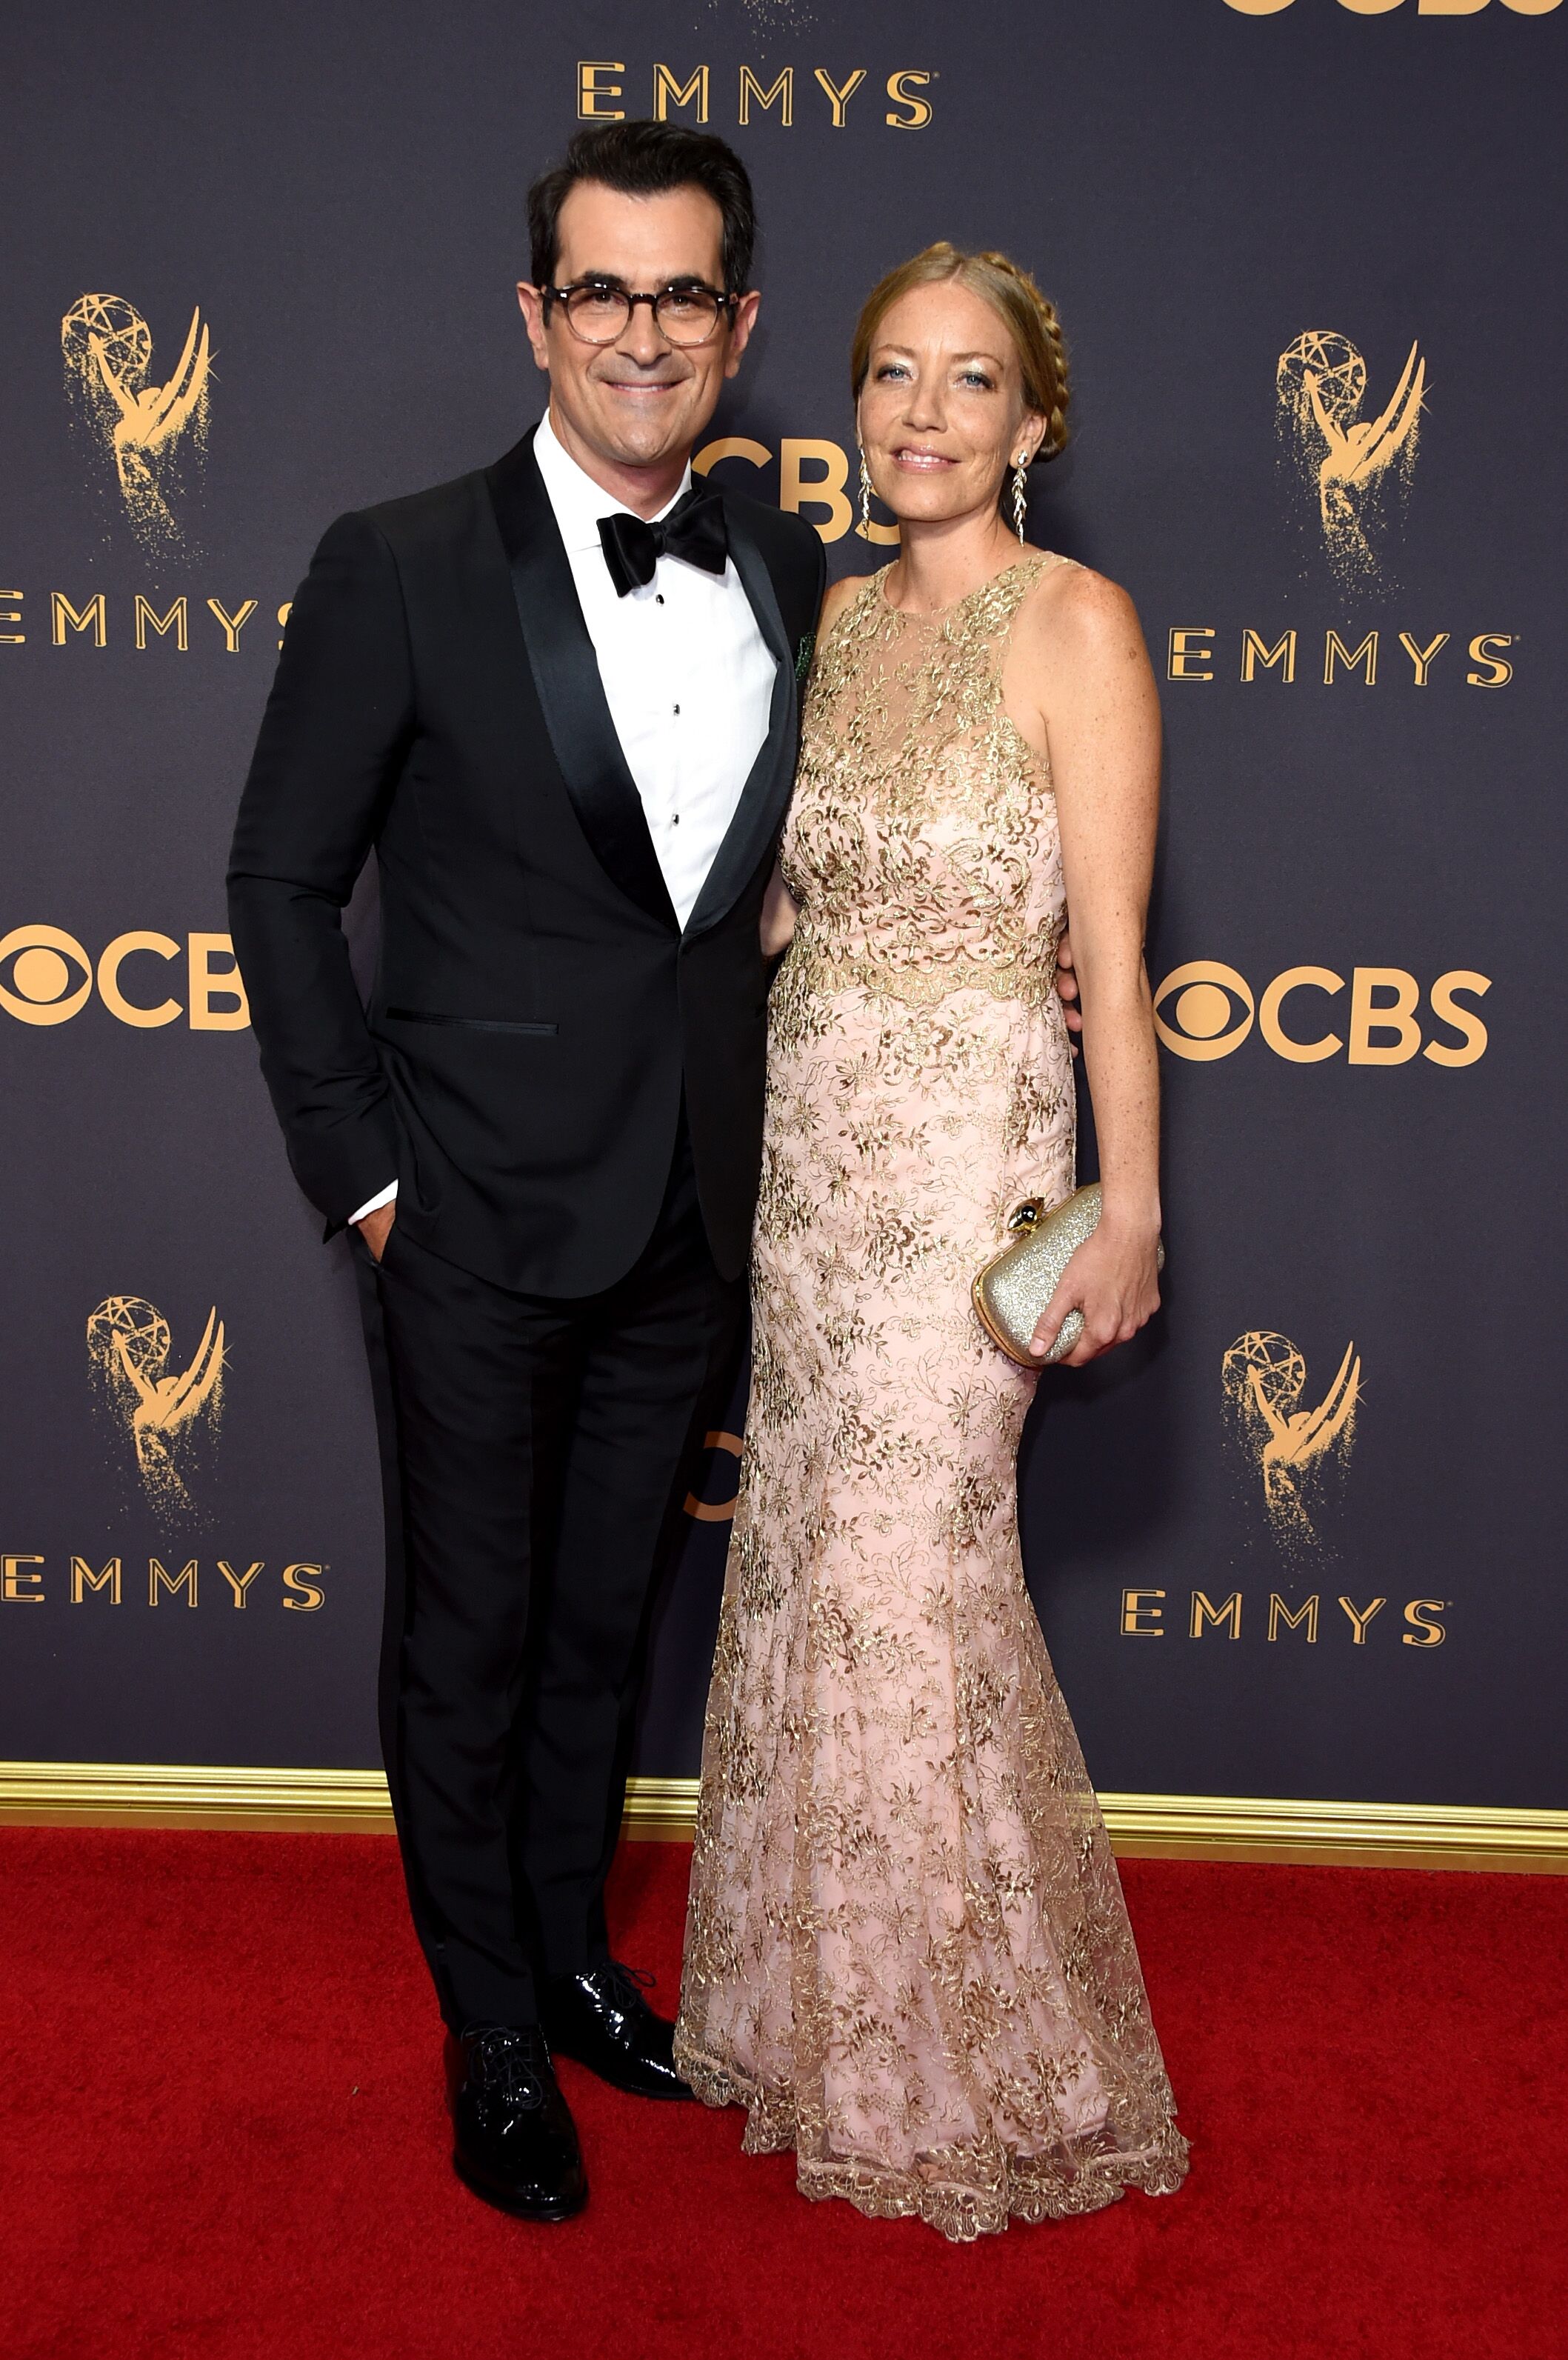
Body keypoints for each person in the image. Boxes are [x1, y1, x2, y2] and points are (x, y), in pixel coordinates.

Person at [227, 121, 824, 2223]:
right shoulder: (393, 559)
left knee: (601, 1629)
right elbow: (281, 882)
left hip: (685, 1212)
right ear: (535, 313)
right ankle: (489, 2027)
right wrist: (371, 1179)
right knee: (468, 1636)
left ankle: (573, 1955)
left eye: (683, 296)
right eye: (602, 291)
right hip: (468, 1213)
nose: (641, 334)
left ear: (738, 325)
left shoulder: (780, 568)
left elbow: (740, 900)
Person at [675, 244, 1190, 2240]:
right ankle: (824, 2025)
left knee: (915, 1567)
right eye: (893, 373)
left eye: (969, 382)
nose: (921, 412)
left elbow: (1120, 955)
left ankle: (974, 2065)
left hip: (974, 1145)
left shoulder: (1080, 626)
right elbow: (783, 908)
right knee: (810, 1560)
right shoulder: (830, 624)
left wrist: (1131, 1204)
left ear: (1031, 424)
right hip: (810, 1152)